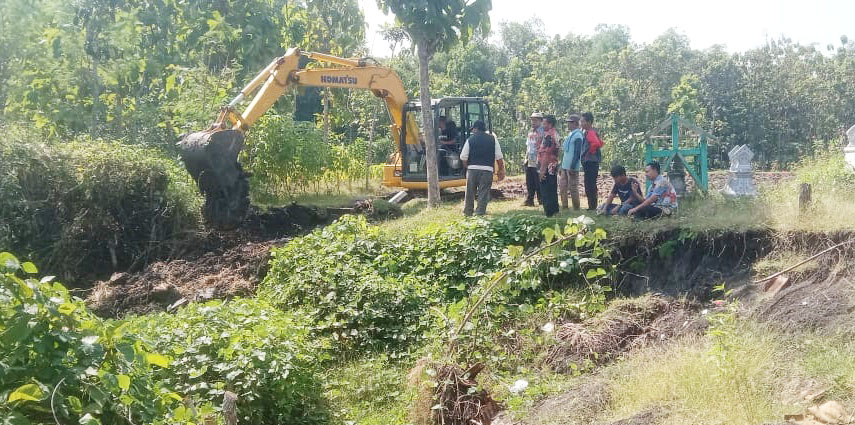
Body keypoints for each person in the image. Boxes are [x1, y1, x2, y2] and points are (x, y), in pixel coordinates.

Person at [461, 120, 505, 216]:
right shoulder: (493, 139)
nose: (473, 131)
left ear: (476, 128)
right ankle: (480, 212)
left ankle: (468, 212)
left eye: (473, 129)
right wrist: (501, 169)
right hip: (487, 170)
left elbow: (463, 157)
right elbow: (499, 157)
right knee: (483, 192)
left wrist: (467, 167)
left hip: (472, 169)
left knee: (470, 192)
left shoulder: (470, 139)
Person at [559, 114, 584, 210]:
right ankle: (564, 206)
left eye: (570, 123)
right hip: (565, 165)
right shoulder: (570, 134)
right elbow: (566, 152)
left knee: (573, 187)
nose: (568, 125)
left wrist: (573, 166)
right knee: (562, 186)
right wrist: (561, 165)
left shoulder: (578, 135)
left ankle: (576, 207)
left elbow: (577, 152)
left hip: (572, 166)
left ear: (575, 123)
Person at [580, 112, 603, 210]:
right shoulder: (588, 132)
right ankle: (591, 205)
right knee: (589, 183)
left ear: (589, 122)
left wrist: (589, 152)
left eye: (583, 121)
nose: (581, 123)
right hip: (590, 161)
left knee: (590, 184)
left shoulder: (590, 132)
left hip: (591, 162)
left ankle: (592, 206)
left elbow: (597, 143)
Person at [538, 115, 561, 217]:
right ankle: (554, 209)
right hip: (554, 164)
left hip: (548, 165)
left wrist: (542, 170)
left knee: (545, 189)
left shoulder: (548, 136)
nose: (542, 125)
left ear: (550, 124)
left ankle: (548, 211)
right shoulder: (555, 134)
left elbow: (546, 153)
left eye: (544, 123)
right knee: (552, 188)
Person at [523, 112, 544, 206]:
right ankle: (530, 199)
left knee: (538, 180)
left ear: (540, 121)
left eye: (535, 120)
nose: (533, 122)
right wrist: (525, 158)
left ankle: (541, 200)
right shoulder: (530, 132)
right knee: (529, 180)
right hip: (530, 159)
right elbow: (528, 147)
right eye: (532, 120)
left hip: (539, 159)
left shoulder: (543, 132)